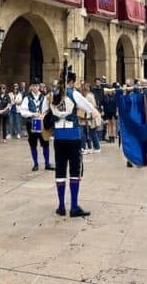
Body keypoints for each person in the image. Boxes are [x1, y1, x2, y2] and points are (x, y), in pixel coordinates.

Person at [51, 70, 100, 217]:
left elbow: (45, 111)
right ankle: (73, 206)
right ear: (72, 81)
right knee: (74, 170)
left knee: (60, 170)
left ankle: (60, 206)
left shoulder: (52, 94)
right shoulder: (74, 94)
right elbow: (88, 108)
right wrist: (94, 113)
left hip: (58, 137)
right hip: (73, 136)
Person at [20, 79, 52, 171]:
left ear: (39, 87)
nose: (35, 87)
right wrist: (32, 114)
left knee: (45, 143)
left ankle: (47, 163)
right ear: (31, 87)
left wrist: (44, 115)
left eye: (36, 86)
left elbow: (47, 109)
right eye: (33, 86)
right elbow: (23, 111)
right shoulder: (27, 98)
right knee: (33, 144)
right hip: (32, 123)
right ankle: (35, 164)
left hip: (42, 123)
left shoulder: (44, 97)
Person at [79, 83, 101, 153]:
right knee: (91, 132)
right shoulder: (90, 95)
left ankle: (84, 147)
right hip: (87, 116)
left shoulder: (87, 96)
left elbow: (91, 106)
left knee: (85, 132)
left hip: (87, 117)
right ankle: (95, 147)